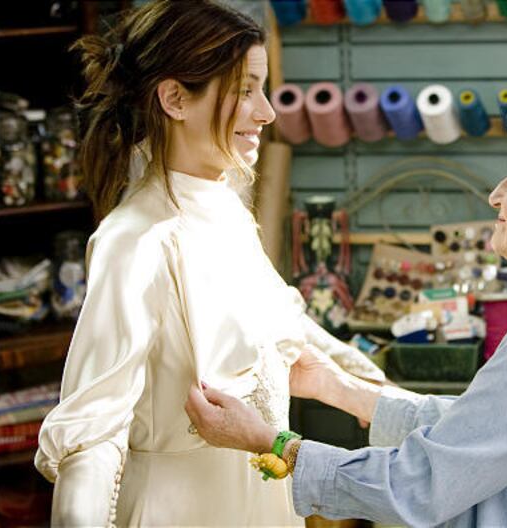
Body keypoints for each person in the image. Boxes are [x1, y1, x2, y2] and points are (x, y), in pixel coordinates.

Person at [186, 96, 507, 526]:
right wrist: (339, 388)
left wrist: (268, 441)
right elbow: (486, 431)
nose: (496, 196)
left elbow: (421, 484)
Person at [34, 1, 383, 526]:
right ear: (175, 98)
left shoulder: (225, 208)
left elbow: (286, 331)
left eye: (263, 89)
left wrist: (384, 400)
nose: (266, 112)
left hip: (262, 506)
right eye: (245, 91)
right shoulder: (137, 240)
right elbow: (92, 435)